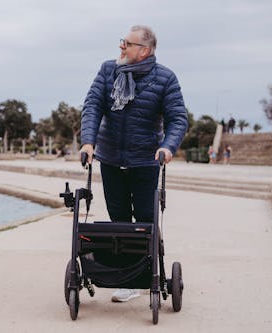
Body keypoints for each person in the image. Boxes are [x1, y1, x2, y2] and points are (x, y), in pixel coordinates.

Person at [80, 25, 188, 303]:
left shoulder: (165, 78)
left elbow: (178, 118)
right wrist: (88, 141)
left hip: (145, 162)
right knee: (118, 220)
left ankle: (146, 274)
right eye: (122, 42)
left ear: (144, 50)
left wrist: (168, 145)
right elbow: (93, 106)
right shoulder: (108, 70)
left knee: (144, 221)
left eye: (126, 43)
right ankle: (126, 277)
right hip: (111, 159)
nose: (121, 47)